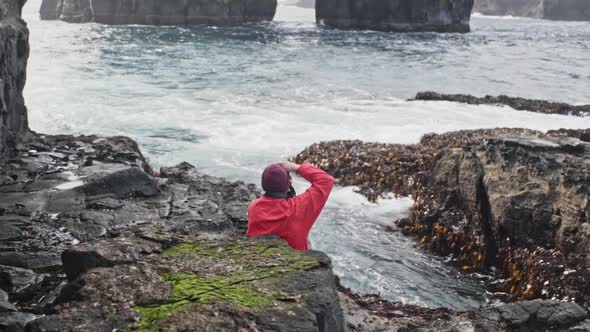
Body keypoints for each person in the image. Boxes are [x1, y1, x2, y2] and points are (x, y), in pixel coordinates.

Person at [247, 161, 335, 250]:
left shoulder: (254, 207)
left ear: (263, 183)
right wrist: (297, 167)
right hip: (296, 260)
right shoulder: (298, 208)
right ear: (289, 183)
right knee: (307, 241)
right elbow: (326, 180)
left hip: (261, 257)